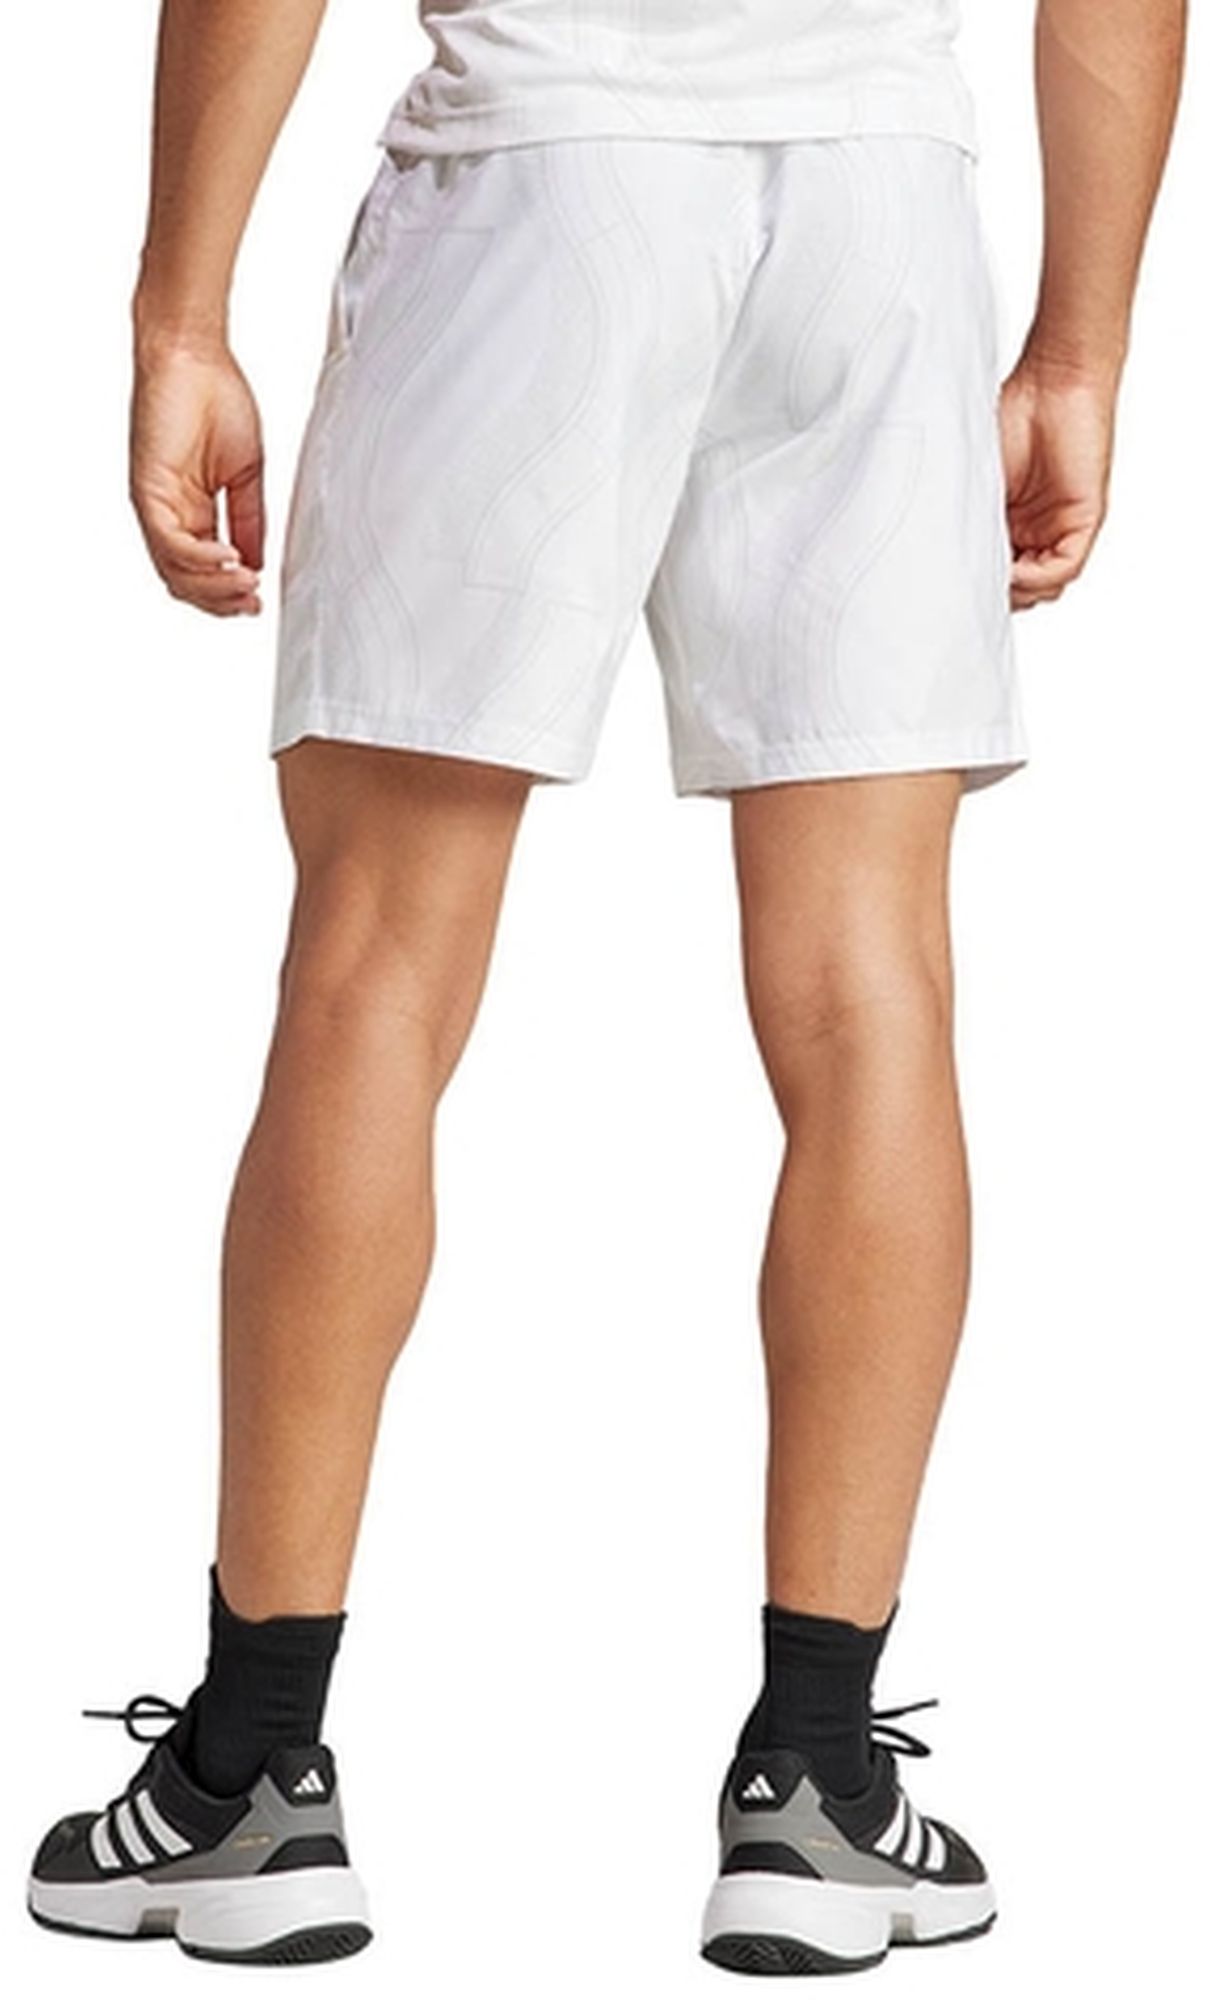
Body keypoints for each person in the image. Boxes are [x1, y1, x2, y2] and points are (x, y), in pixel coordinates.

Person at [26, 0, 1186, 1974]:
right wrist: (1077, 344)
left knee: (375, 965)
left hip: (534, 178)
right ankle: (815, 1787)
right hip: (876, 208)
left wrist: (178, 312)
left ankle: (251, 1772)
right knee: (869, 992)